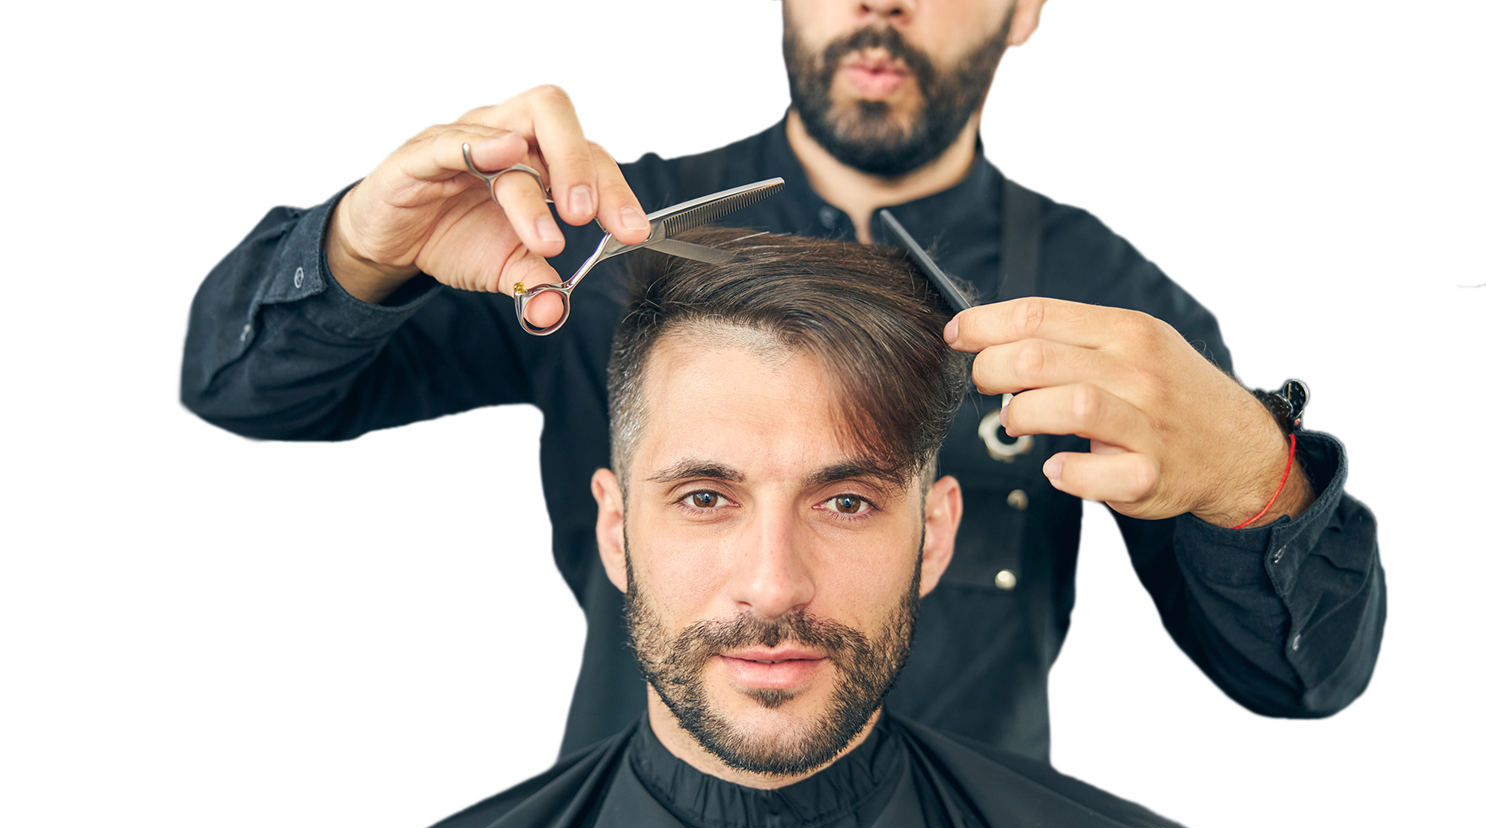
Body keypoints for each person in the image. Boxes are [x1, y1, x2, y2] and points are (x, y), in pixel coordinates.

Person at [176, 0, 1385, 764]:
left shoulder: (1118, 295)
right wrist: (358, 247)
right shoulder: (594, 234)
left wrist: (1254, 476)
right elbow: (240, 397)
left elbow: (1302, 679)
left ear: (1025, 10)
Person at [288, 228, 1300, 828]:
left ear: (934, 534)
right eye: (703, 498)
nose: (772, 587)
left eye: (845, 502)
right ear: (614, 527)